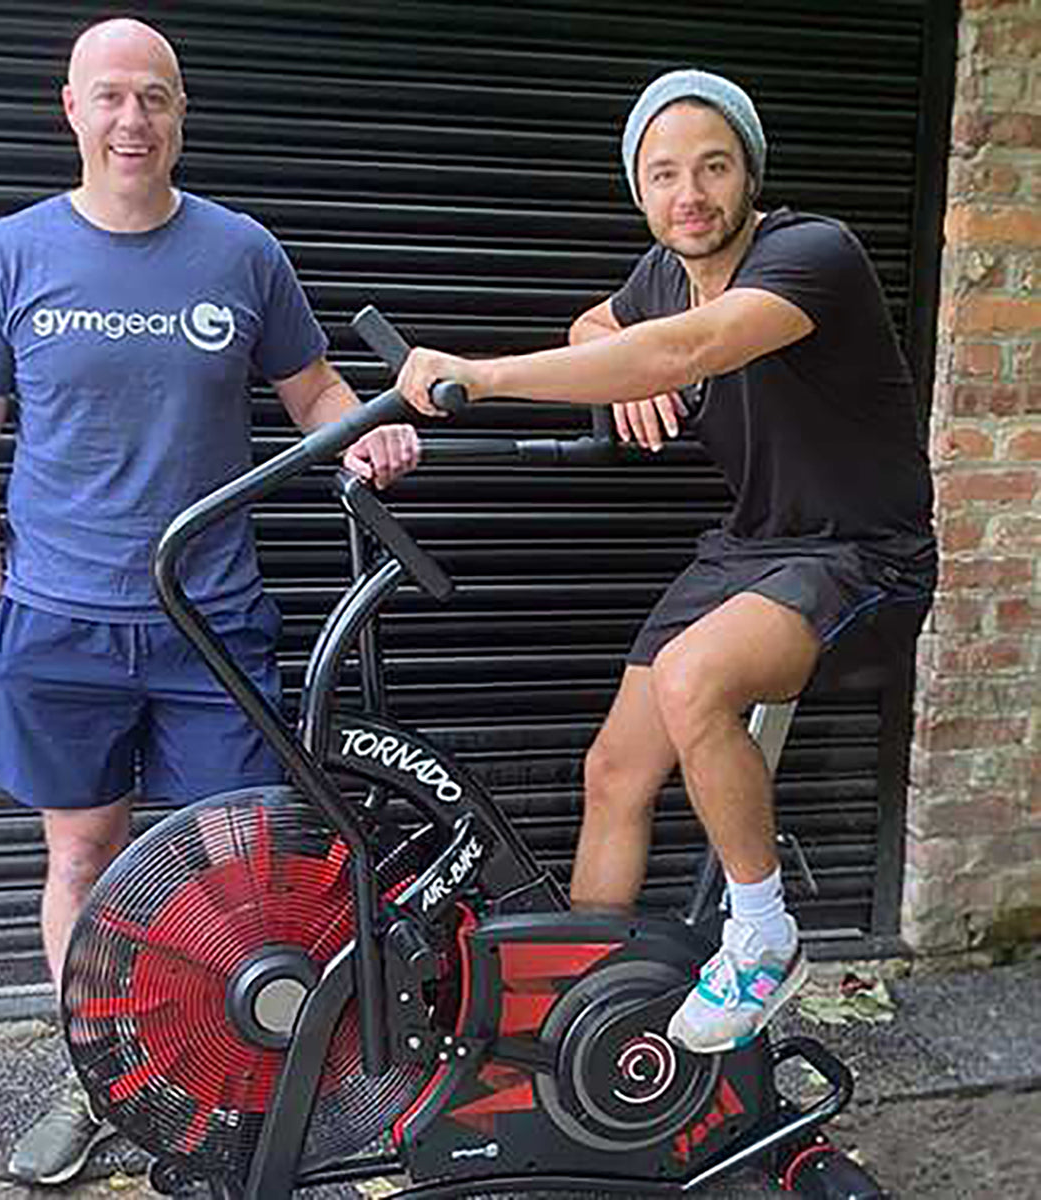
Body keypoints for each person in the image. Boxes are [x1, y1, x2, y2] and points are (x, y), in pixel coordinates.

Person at [0, 17, 418, 1185]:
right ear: (72, 110)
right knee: (85, 861)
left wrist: (370, 435)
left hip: (213, 621)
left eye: (154, 97)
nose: (132, 119)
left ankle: (227, 1092)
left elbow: (318, 392)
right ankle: (94, 1083)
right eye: (110, 97)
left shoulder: (241, 254)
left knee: (232, 876)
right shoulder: (7, 255)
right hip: (60, 623)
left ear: (181, 113)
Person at [396, 69, 936, 1056]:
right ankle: (575, 1012)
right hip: (753, 550)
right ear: (640, 193)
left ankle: (766, 939)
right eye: (664, 175)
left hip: (865, 556)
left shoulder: (811, 252)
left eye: (713, 168)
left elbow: (687, 351)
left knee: (694, 679)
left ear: (750, 175)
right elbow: (604, 329)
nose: (690, 194)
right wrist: (620, 356)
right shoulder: (663, 271)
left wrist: (483, 374)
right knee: (615, 770)